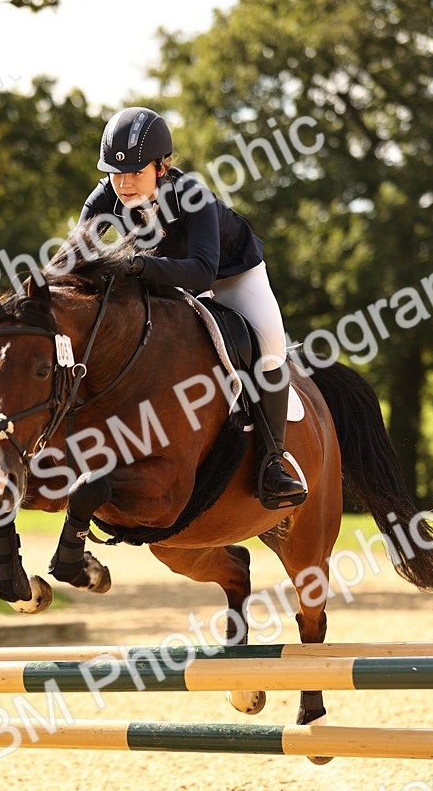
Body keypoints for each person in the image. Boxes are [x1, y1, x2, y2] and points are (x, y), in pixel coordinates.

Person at [78, 106, 307, 510]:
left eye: (135, 172)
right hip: (166, 277)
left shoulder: (191, 196)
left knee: (270, 346)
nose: (124, 183)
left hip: (232, 276)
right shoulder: (105, 197)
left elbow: (203, 272)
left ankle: (273, 463)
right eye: (115, 173)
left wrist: (138, 265)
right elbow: (74, 258)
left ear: (161, 166)